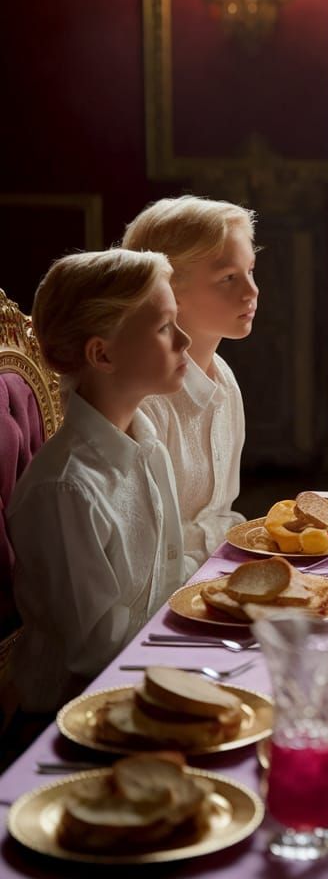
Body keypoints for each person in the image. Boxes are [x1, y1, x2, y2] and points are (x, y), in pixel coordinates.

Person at [7, 249, 190, 712]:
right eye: (165, 326)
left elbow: (168, 582)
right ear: (102, 354)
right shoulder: (66, 489)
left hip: (150, 677)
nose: (185, 339)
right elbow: (96, 653)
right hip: (74, 712)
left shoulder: (148, 446)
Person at [122, 196, 258, 568]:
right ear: (168, 290)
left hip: (217, 570)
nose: (251, 291)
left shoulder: (224, 380)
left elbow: (219, 518)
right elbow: (141, 551)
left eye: (251, 270)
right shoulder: (145, 401)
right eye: (228, 278)